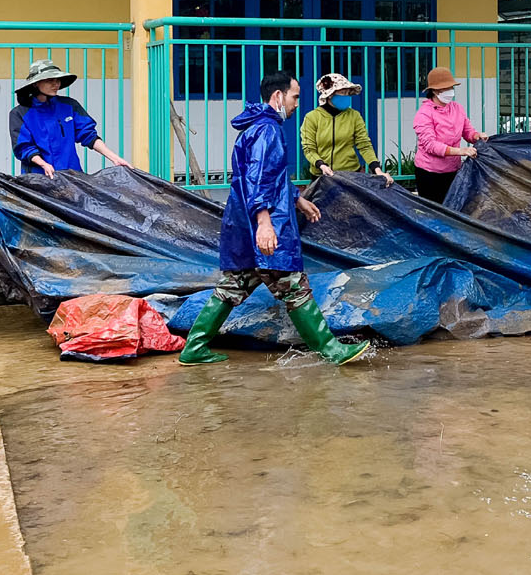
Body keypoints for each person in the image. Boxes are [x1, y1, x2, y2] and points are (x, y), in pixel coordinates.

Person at [179, 71, 371, 367]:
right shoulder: (267, 130)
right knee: (293, 285)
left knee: (235, 284)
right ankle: (331, 349)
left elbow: (273, 176)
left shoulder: (257, 127)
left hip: (244, 222)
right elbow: (258, 178)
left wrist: (297, 199)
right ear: (278, 96)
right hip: (266, 222)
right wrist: (265, 223)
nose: (297, 104)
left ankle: (194, 347)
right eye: (295, 97)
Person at [10, 59, 128, 175]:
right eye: (50, 80)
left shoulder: (69, 106)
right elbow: (24, 147)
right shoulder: (19, 113)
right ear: (36, 83)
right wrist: (43, 164)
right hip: (38, 177)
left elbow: (89, 135)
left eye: (57, 80)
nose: (56, 84)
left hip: (72, 175)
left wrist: (114, 158)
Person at [300, 73, 393, 185]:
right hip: (321, 176)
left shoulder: (354, 116)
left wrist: (377, 170)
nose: (346, 96)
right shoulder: (312, 117)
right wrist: (321, 165)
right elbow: (309, 149)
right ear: (330, 94)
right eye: (342, 93)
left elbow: (364, 145)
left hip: (351, 175)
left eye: (348, 93)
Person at [412, 66, 488, 204]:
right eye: (445, 88)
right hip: (429, 173)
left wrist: (477, 136)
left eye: (451, 87)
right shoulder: (424, 114)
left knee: (452, 208)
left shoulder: (457, 108)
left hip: (453, 170)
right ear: (434, 91)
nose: (450, 91)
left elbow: (467, 131)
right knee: (433, 210)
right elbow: (430, 145)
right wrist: (460, 151)